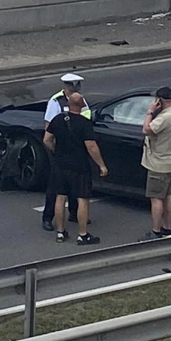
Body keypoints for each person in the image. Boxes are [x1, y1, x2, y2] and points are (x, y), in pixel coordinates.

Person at [43, 93, 107, 246]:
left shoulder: (58, 119)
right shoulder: (84, 123)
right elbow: (91, 146)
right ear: (82, 105)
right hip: (79, 166)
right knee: (82, 199)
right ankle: (82, 234)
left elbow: (47, 139)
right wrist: (101, 165)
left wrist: (56, 152)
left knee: (60, 197)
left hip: (60, 164)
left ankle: (60, 232)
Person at [41, 73, 90, 231]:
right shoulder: (56, 101)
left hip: (76, 147)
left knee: (76, 183)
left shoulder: (80, 100)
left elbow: (86, 119)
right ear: (66, 88)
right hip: (60, 148)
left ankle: (75, 213)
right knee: (55, 187)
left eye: (76, 87)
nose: (75, 90)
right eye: (72, 87)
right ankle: (48, 218)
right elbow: (48, 127)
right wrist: (56, 150)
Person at [140, 86, 171, 240]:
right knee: (168, 195)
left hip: (159, 164)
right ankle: (167, 227)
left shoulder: (165, 117)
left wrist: (150, 111)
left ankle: (156, 231)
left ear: (159, 100)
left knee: (156, 197)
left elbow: (146, 129)